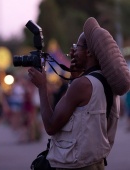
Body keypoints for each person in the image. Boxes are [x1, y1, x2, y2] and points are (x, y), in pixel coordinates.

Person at [28, 17, 130, 169]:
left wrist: (42, 87)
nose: (73, 51)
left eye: (77, 46)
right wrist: (74, 78)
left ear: (89, 51)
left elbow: (50, 125)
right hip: (96, 163)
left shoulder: (83, 85)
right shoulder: (106, 82)